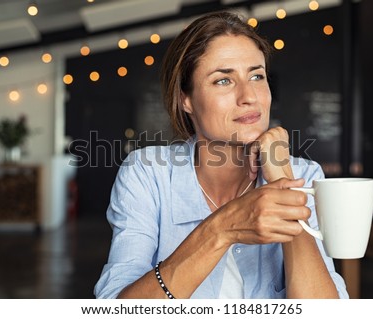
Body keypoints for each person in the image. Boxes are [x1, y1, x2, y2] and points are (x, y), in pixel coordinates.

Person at [94, 11, 348, 299]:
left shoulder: (304, 176)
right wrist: (222, 229)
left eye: (257, 75)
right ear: (185, 99)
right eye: (223, 81)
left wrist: (282, 178)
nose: (249, 96)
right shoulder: (147, 173)